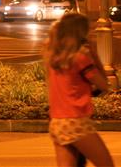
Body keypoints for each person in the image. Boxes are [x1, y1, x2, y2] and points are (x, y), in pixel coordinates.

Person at [44, 13, 113, 167]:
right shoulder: (80, 60)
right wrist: (94, 54)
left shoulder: (54, 58)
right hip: (76, 121)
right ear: (80, 34)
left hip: (57, 122)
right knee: (106, 164)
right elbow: (104, 85)